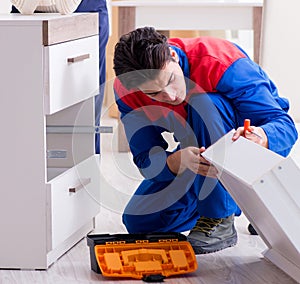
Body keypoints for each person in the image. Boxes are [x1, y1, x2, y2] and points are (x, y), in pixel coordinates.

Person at [112, 27, 298, 254]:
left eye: (170, 80)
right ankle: (246, 203)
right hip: (202, 155)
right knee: (140, 221)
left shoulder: (222, 61)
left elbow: (284, 126)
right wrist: (175, 162)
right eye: (154, 93)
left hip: (247, 148)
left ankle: (218, 217)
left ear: (172, 55)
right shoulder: (127, 92)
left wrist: (262, 137)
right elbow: (145, 158)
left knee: (202, 103)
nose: (170, 96)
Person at [11, 0, 109, 154]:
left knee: (84, 105)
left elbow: (66, 7)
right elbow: (25, 7)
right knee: (25, 104)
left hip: (85, 12)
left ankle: (87, 172)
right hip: (27, 16)